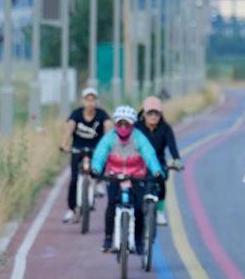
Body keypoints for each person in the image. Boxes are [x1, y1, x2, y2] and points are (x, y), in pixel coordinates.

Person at [91, 105, 163, 254]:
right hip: (114, 175)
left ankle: (138, 240)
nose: (123, 127)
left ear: (133, 124)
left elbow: (149, 155)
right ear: (116, 124)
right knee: (111, 203)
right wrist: (96, 168)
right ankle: (108, 239)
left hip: (136, 175)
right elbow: (100, 153)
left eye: (127, 124)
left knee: (138, 208)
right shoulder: (110, 137)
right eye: (120, 123)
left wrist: (156, 170)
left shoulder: (139, 137)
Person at [59, 87, 112, 223]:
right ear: (83, 101)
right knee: (74, 179)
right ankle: (71, 209)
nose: (90, 103)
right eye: (87, 100)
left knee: (100, 164)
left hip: (96, 149)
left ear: (96, 101)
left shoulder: (101, 114)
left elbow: (108, 127)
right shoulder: (76, 114)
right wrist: (64, 144)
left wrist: (108, 144)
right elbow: (69, 128)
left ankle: (99, 182)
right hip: (78, 149)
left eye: (93, 100)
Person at [136, 96, 184, 227]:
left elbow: (172, 147)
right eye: (150, 113)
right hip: (139, 162)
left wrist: (177, 160)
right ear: (144, 114)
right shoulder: (136, 127)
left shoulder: (165, 128)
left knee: (161, 180)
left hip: (159, 162)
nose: (153, 116)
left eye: (156, 113)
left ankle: (160, 211)